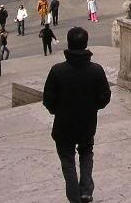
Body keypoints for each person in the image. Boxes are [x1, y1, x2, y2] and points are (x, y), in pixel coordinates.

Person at [43, 27, 111, 203]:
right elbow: (105, 97)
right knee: (86, 153)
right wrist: (92, 107)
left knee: (67, 159)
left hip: (64, 124)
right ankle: (86, 190)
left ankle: (74, 197)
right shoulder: (96, 70)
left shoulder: (57, 71)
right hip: (87, 123)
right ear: (86, 44)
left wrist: (56, 110)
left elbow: (48, 99)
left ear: (69, 44)